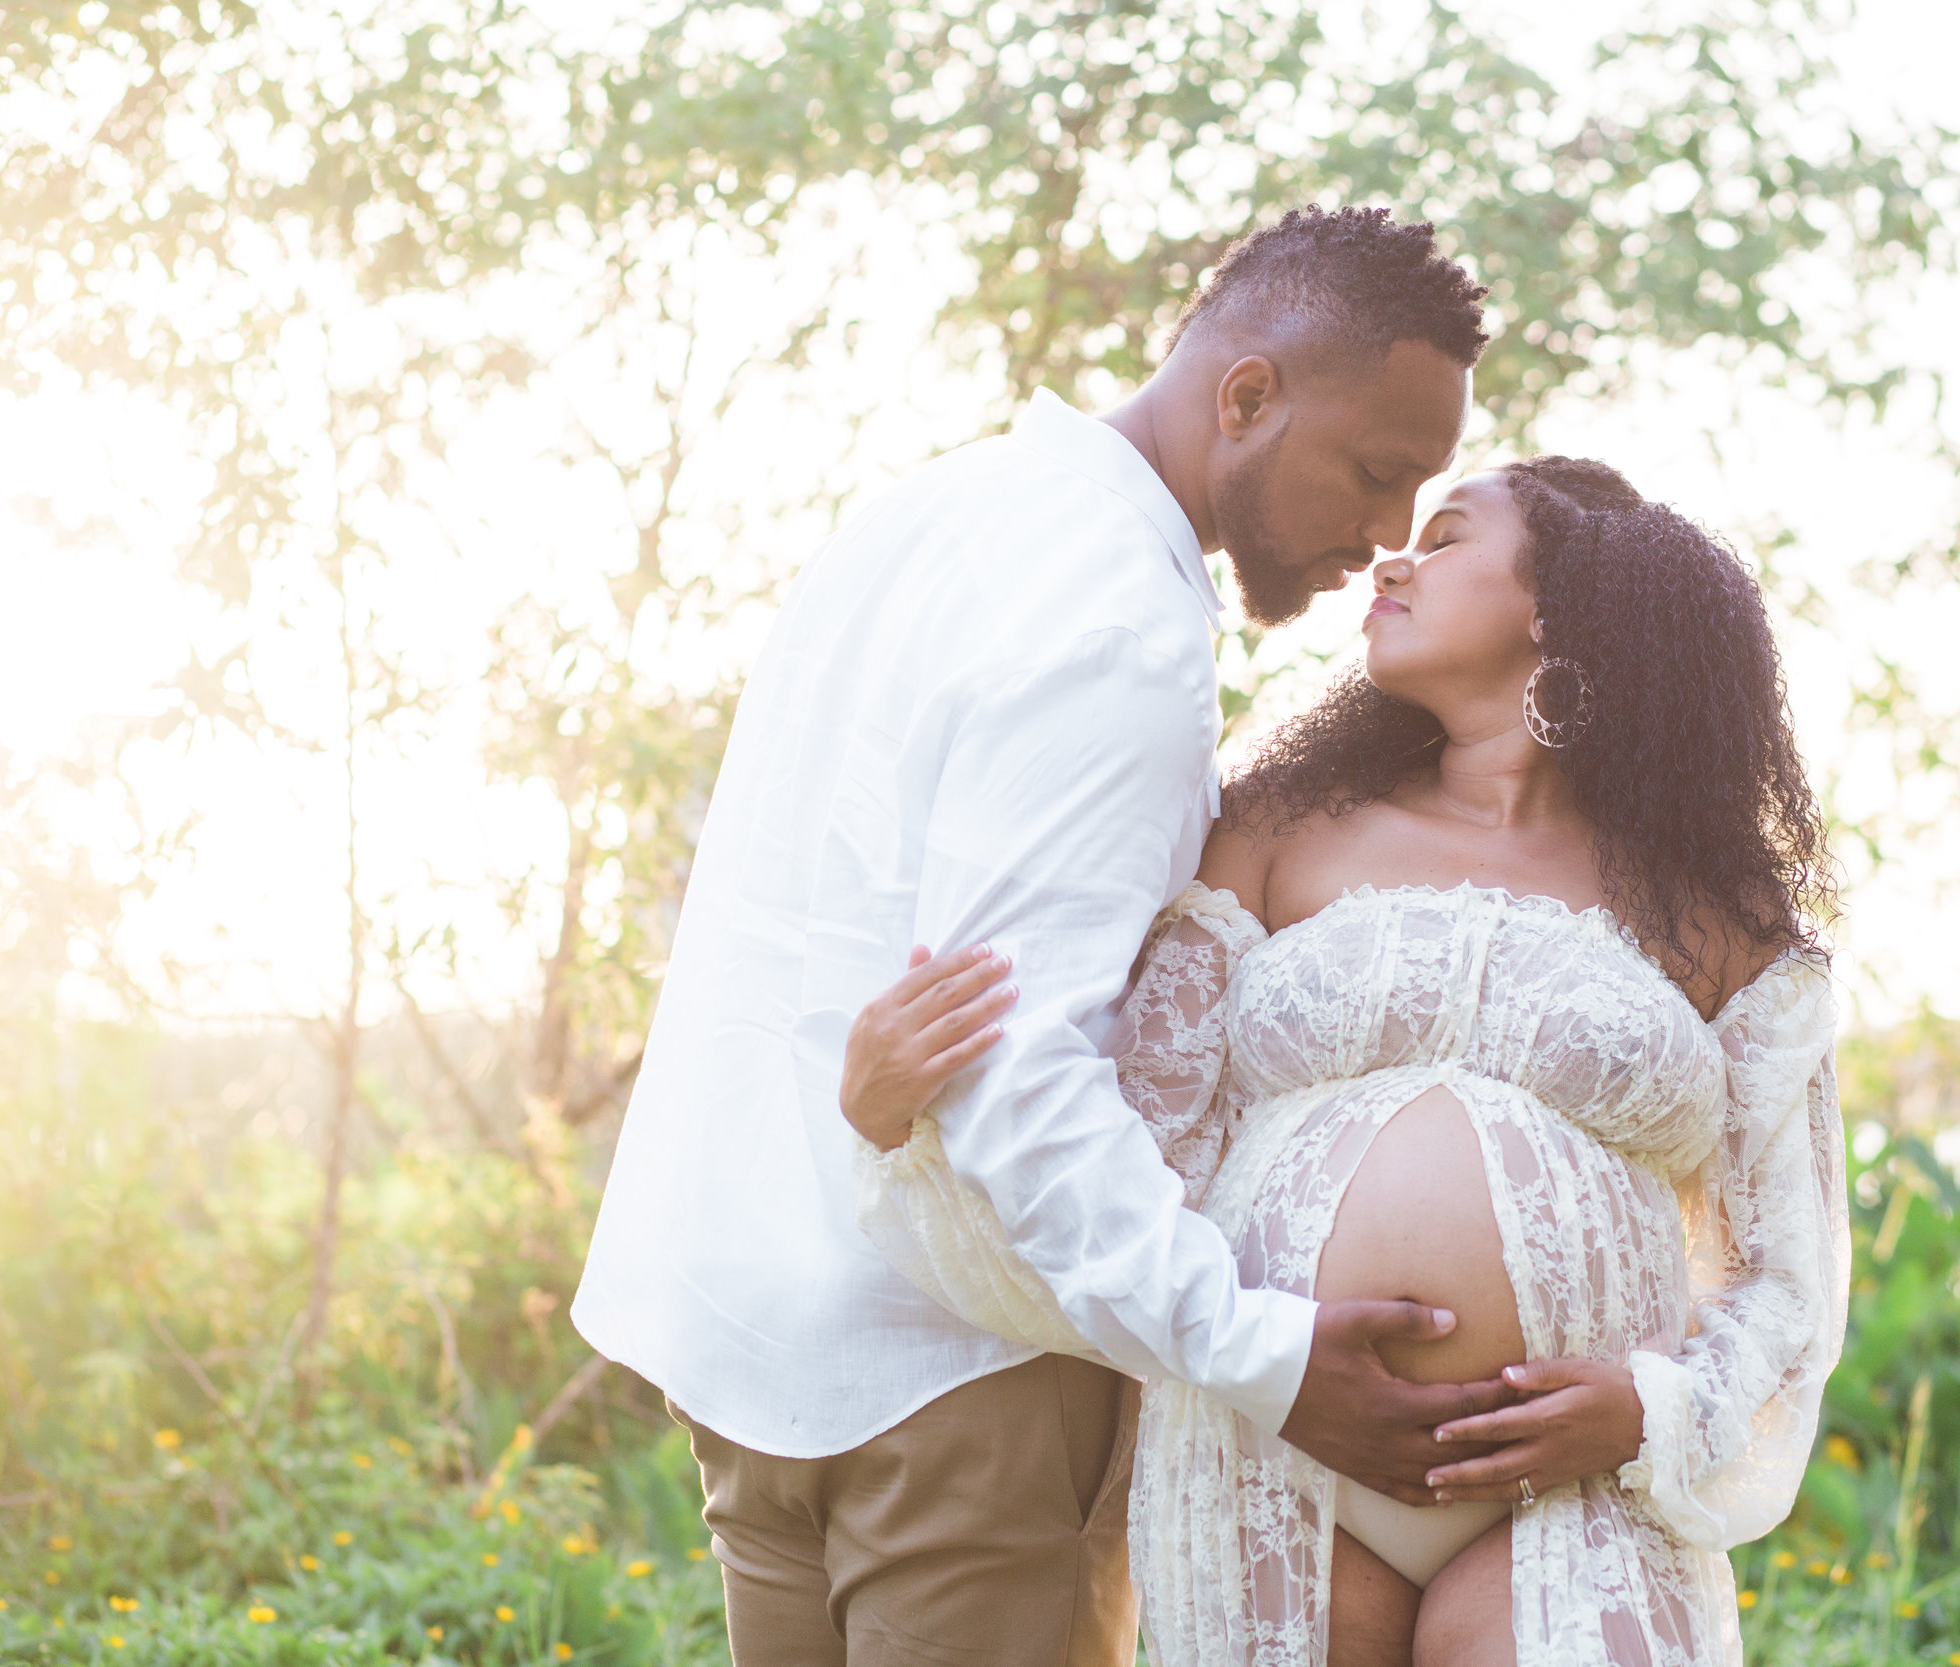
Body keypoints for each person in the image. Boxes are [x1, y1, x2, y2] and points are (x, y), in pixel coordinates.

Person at [570, 205, 1500, 1664]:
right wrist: (1261, 1355)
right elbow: (1020, 1068)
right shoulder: (1121, 623)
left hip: (756, 1338)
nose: (1385, 535)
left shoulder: (928, 514)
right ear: (1248, 393)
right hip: (957, 1385)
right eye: (1378, 472)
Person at [842, 460, 1848, 1666]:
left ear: (1559, 606)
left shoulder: (1716, 908)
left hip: (1587, 1489)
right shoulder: (1274, 828)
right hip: (1268, 1459)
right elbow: (1130, 1146)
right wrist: (903, 1122)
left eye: (1446, 535)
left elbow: (1786, 1266)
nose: (1391, 558)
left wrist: (1651, 1410)